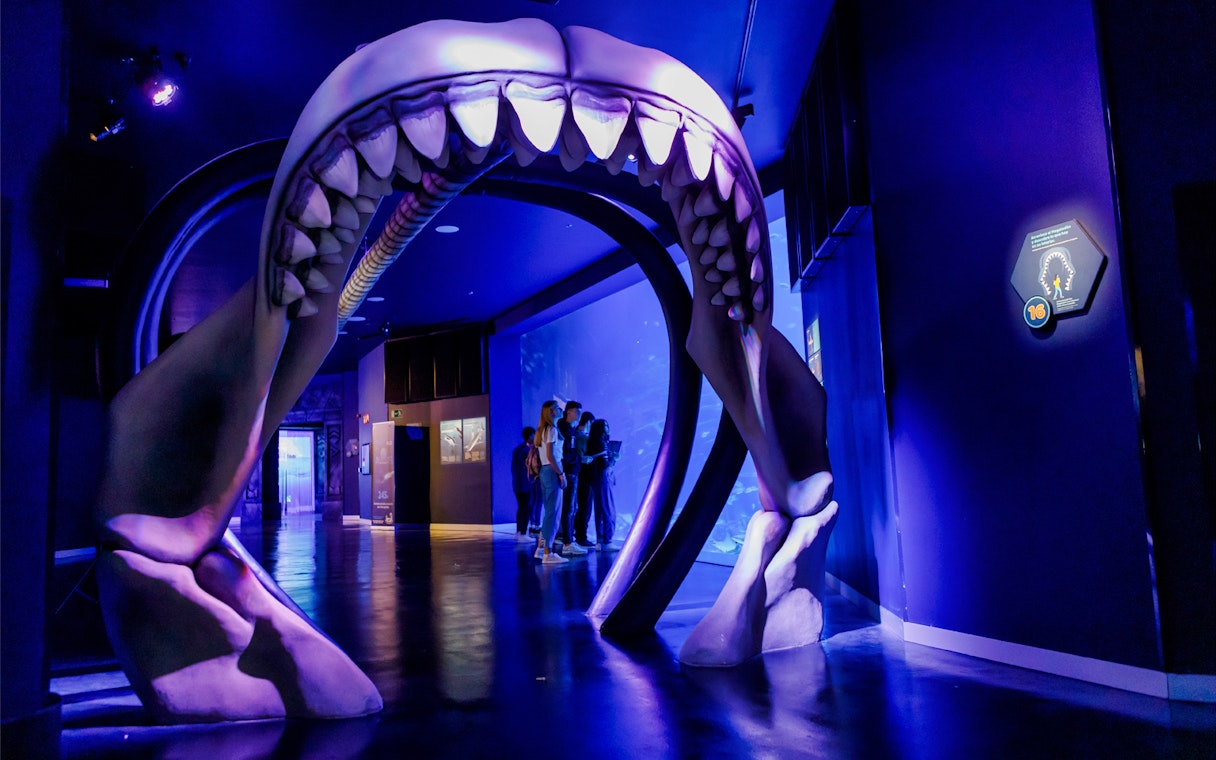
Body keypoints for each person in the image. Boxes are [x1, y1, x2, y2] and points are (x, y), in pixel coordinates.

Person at [534, 400, 567, 564]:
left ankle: (541, 550)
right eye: (557, 408)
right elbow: (551, 455)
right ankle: (548, 552)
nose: (561, 410)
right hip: (553, 470)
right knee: (553, 513)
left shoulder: (543, 429)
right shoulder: (552, 429)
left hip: (545, 471)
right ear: (552, 412)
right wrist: (560, 474)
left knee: (549, 512)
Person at [556, 401, 588, 557]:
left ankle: (568, 539)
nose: (579, 414)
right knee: (568, 508)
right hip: (569, 471)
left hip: (572, 470)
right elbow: (566, 451)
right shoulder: (564, 428)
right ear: (568, 411)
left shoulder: (569, 429)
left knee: (572, 507)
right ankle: (567, 542)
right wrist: (575, 460)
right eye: (577, 411)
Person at [584, 418, 620, 551]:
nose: (608, 427)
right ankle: (608, 540)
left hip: (595, 479)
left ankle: (600, 540)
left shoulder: (591, 442)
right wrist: (613, 459)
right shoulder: (602, 443)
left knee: (599, 509)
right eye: (605, 425)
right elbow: (605, 464)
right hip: (603, 478)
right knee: (609, 509)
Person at [572, 411, 597, 548]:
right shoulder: (582, 438)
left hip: (579, 475)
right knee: (585, 507)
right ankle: (581, 536)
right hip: (584, 475)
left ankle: (577, 534)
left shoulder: (575, 434)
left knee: (581, 507)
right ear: (588, 422)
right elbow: (583, 456)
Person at [511, 427, 536, 541]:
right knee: (525, 507)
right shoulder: (527, 450)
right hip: (525, 483)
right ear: (530, 436)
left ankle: (518, 531)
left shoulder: (518, 449)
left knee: (521, 507)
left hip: (517, 483)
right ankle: (523, 532)